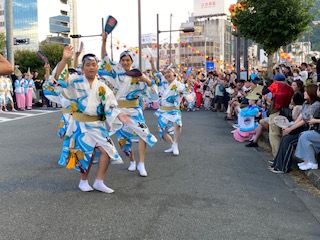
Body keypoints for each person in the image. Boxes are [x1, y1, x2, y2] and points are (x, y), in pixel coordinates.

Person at [48, 45, 132, 193]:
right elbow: (56, 81)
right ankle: (83, 181)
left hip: (98, 125)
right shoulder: (75, 82)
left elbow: (110, 103)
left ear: (97, 67)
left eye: (94, 65)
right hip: (81, 125)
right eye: (88, 65)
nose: (91, 68)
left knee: (107, 150)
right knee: (87, 153)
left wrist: (119, 114)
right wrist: (65, 59)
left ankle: (99, 181)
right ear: (83, 68)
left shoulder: (102, 87)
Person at [99, 32, 158, 177]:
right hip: (119, 111)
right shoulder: (115, 74)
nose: (125, 62)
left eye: (128, 60)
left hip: (135, 109)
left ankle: (142, 164)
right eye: (123, 60)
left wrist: (145, 80)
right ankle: (132, 160)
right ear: (120, 61)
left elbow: (153, 93)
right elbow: (105, 58)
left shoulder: (137, 75)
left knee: (143, 133)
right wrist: (104, 41)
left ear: (132, 61)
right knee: (122, 139)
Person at [269, 84, 320, 173]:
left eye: (306, 91)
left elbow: (305, 120)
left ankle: (283, 167)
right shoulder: (306, 103)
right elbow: (300, 117)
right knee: (285, 138)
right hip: (302, 127)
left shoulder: (316, 105)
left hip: (307, 129)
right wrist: (290, 127)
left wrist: (291, 129)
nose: (304, 93)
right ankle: (277, 162)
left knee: (288, 140)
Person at [154, 66, 185, 155]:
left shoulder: (178, 84)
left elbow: (183, 91)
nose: (167, 74)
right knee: (162, 132)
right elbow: (155, 74)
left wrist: (181, 92)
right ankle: (172, 145)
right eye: (165, 73)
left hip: (174, 110)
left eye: (169, 72)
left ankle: (175, 144)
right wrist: (152, 64)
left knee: (177, 124)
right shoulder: (162, 84)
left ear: (173, 73)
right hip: (163, 110)